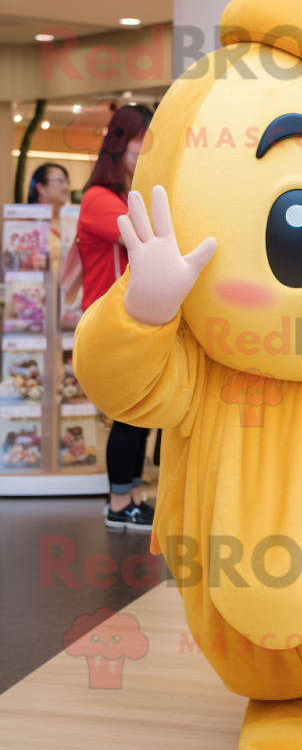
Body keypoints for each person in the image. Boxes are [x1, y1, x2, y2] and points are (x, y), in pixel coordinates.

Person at [77, 104, 155, 530]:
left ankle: (134, 494)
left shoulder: (125, 197)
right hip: (108, 322)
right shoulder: (98, 200)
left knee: (141, 415)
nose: (148, 147)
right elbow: (142, 234)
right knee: (128, 415)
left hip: (133, 320)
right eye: (143, 137)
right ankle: (118, 502)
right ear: (122, 142)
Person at [28, 163, 70, 277]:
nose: (66, 187)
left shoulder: (73, 220)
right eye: (60, 181)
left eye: (67, 181)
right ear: (41, 188)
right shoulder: (28, 223)